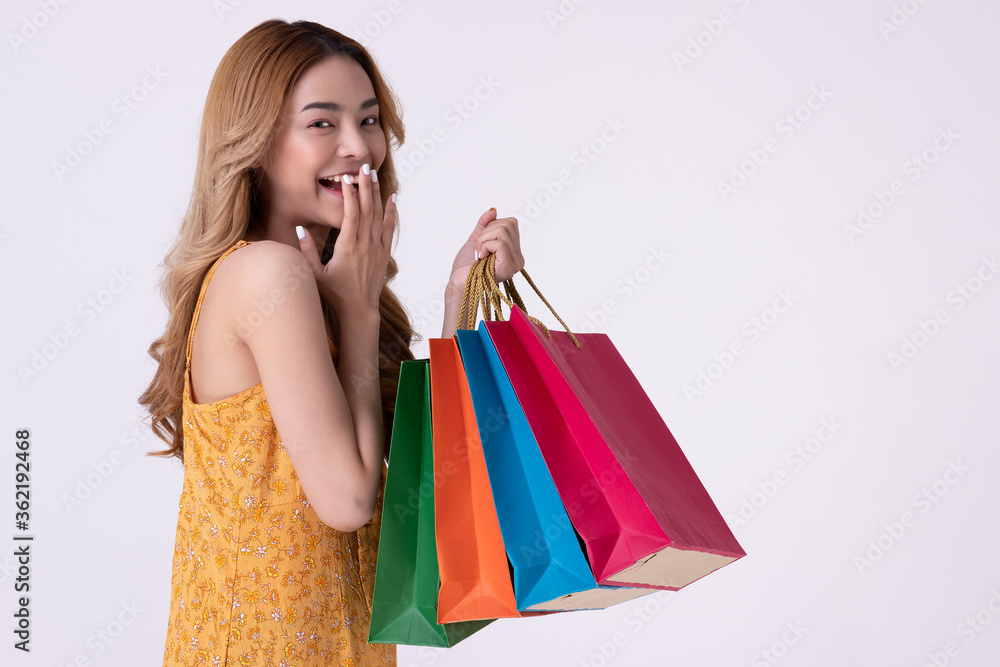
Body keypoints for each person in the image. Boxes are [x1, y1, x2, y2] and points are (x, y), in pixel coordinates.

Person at [138, 18, 525, 666]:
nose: (359, 146)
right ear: (255, 143)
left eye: (369, 120)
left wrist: (461, 291)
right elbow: (349, 499)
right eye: (323, 123)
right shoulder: (269, 274)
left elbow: (412, 478)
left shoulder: (306, 282)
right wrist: (359, 310)